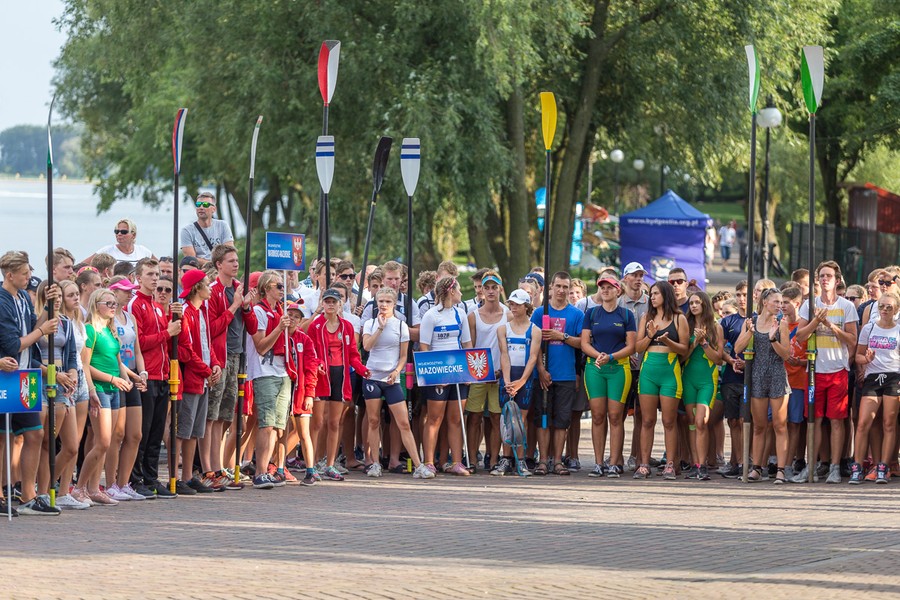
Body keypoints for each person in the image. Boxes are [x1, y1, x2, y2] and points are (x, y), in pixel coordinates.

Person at [0, 251, 60, 516]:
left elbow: (32, 329)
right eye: (24, 274)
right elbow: (13, 344)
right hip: (8, 375)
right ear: (10, 275)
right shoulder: (2, 301)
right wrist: (42, 331)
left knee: (35, 432)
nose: (28, 278)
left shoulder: (24, 298)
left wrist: (47, 309)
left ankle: (28, 494)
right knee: (3, 436)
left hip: (26, 375)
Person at [792, 261, 859, 484]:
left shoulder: (846, 306)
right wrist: (816, 322)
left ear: (837, 280)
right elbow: (800, 336)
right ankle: (811, 466)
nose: (824, 279)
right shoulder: (809, 305)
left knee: (837, 421)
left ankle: (834, 467)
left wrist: (830, 325)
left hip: (838, 370)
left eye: (829, 276)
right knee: (814, 420)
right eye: (821, 276)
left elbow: (852, 340)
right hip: (814, 371)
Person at [77, 288, 140, 506]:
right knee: (102, 441)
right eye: (109, 303)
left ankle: (94, 488)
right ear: (97, 305)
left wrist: (131, 378)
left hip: (114, 389)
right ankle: (79, 487)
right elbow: (85, 365)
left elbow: (118, 361)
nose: (113, 307)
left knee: (108, 440)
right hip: (100, 388)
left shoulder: (110, 329)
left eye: (115, 304)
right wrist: (99, 386)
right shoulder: (90, 329)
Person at [127, 257, 182, 499]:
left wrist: (173, 324)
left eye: (157, 274)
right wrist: (167, 332)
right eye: (150, 274)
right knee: (143, 430)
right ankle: (135, 478)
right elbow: (139, 343)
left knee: (157, 430)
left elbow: (167, 341)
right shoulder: (136, 305)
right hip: (146, 374)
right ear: (139, 278)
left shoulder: (158, 306)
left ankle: (151, 477)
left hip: (162, 374)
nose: (155, 279)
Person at [361, 287, 429, 478]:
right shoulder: (370, 324)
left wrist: (397, 371)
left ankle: (418, 465)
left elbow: (403, 356)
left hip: (392, 379)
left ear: (394, 304)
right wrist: (380, 328)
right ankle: (375, 463)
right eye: (380, 301)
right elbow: (367, 346)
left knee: (403, 422)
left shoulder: (401, 326)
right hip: (372, 377)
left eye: (387, 302)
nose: (383, 305)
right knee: (374, 421)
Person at [201, 244, 249, 491]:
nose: (236, 264)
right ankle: (208, 469)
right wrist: (233, 307)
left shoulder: (238, 288)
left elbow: (250, 325)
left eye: (236, 260)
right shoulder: (213, 291)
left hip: (236, 355)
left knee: (224, 416)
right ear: (219, 264)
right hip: (220, 356)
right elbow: (212, 328)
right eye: (230, 261)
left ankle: (218, 466)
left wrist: (246, 306)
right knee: (211, 415)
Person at [308, 288, 369, 481]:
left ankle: (330, 464)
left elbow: (353, 354)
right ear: (322, 303)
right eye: (327, 301)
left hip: (340, 377)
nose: (330, 305)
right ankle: (312, 463)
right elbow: (311, 352)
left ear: (340, 304)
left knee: (335, 422)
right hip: (321, 377)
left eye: (334, 301)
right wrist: (317, 364)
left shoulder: (347, 326)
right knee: (318, 422)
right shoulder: (316, 326)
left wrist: (362, 369)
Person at [34, 281, 85, 508]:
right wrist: (53, 373)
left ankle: (47, 486)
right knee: (45, 441)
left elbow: (72, 354)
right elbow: (29, 354)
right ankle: (41, 492)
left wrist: (72, 374)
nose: (56, 301)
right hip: (41, 381)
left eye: (58, 296)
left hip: (62, 384)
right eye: (52, 296)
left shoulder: (65, 322)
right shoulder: (35, 320)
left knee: (71, 446)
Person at [171, 269, 222, 495]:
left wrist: (215, 363)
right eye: (206, 284)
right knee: (183, 429)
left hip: (202, 378)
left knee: (194, 431)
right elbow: (185, 350)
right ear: (197, 288)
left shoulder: (202, 311)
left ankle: (188, 476)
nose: (210, 288)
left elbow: (207, 343)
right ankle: (175, 477)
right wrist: (206, 369)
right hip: (191, 379)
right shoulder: (186, 312)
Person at [580, 277, 636, 478]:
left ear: (618, 291)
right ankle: (598, 463)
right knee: (597, 415)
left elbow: (632, 346)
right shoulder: (591, 313)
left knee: (615, 416)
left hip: (618, 368)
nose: (605, 290)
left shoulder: (626, 315)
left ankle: (613, 463)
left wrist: (610, 357)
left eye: (609, 287)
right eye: (602, 287)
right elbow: (584, 343)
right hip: (595, 368)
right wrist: (598, 356)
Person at [633, 281, 689, 480]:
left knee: (669, 420)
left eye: (656, 293)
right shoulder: (646, 317)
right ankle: (644, 464)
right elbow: (638, 348)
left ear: (666, 295)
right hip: (648, 371)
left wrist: (667, 341)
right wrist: (650, 336)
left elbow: (684, 349)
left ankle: (670, 464)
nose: (652, 297)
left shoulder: (679, 318)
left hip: (670, 373)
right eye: (651, 294)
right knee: (647, 420)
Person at [735, 288, 792, 483]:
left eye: (781, 302)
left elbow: (786, 354)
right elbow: (738, 348)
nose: (779, 305)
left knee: (779, 424)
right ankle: (757, 468)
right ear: (765, 302)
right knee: (759, 425)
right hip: (757, 375)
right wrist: (749, 333)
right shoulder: (751, 321)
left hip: (776, 374)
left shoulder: (781, 323)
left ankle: (781, 470)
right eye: (776, 301)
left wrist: (773, 338)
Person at [531, 271, 584, 476]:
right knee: (543, 419)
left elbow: (582, 343)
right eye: (558, 286)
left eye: (565, 287)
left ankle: (558, 461)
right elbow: (535, 344)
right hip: (544, 375)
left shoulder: (576, 314)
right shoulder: (540, 313)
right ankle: (543, 461)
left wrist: (561, 336)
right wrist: (540, 369)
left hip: (566, 375)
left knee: (562, 420)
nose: (561, 290)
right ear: (551, 287)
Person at [419, 276, 473, 476]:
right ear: (451, 291)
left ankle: (456, 462)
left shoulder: (460, 314)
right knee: (434, 418)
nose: (461, 294)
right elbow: (424, 346)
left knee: (456, 419)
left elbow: (467, 344)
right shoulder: (431, 315)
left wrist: (469, 372)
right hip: (438, 374)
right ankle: (429, 462)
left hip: (458, 373)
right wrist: (434, 374)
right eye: (459, 290)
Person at [245, 270, 293, 489]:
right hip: (265, 371)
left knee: (276, 427)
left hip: (282, 371)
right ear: (266, 288)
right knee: (266, 424)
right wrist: (280, 328)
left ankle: (266, 469)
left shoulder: (280, 310)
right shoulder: (259, 311)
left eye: (283, 286)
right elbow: (261, 346)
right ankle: (260, 472)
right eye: (278, 286)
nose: (282, 290)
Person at [104, 276, 149, 501]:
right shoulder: (109, 319)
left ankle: (124, 483)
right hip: (116, 375)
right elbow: (114, 354)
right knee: (117, 434)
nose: (130, 293)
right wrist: (130, 376)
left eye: (131, 290)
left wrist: (143, 372)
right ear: (113, 292)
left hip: (132, 375)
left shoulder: (130, 318)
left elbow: (137, 350)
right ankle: (110, 483)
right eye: (125, 290)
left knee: (135, 434)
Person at [850, 292, 900, 484]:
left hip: (893, 377)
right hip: (872, 378)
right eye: (881, 306)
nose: (884, 310)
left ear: (896, 309)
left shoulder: (898, 329)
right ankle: (857, 468)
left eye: (889, 307)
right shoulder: (869, 328)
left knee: (889, 423)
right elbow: (858, 356)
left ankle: (883, 468)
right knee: (864, 423)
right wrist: (866, 359)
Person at [492, 289, 540, 476]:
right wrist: (507, 381)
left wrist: (521, 381)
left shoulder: (535, 330)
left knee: (521, 420)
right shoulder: (503, 329)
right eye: (511, 304)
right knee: (506, 418)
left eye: (517, 304)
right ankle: (506, 459)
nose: (513, 307)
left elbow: (533, 358)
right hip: (508, 376)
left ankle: (521, 460)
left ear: (526, 306)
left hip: (524, 378)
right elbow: (504, 354)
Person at [465, 271, 509, 473]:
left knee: (496, 417)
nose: (491, 291)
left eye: (494, 287)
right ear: (481, 290)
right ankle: (472, 458)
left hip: (499, 374)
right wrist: (475, 372)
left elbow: (508, 347)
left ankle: (493, 459)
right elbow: (470, 346)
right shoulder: (473, 316)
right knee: (474, 417)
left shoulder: (508, 314)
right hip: (478, 373)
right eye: (487, 287)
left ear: (500, 289)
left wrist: (502, 370)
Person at [681, 291, 724, 481]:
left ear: (705, 304)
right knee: (692, 422)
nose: (693, 306)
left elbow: (718, 359)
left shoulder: (716, 327)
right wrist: (693, 343)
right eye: (691, 303)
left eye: (697, 302)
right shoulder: (686, 326)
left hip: (707, 380)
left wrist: (704, 342)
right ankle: (695, 464)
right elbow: (681, 357)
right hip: (688, 378)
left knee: (701, 421)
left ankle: (703, 464)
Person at [718, 280, 748, 478]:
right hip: (730, 377)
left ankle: (747, 461)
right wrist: (731, 361)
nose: (742, 299)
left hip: (750, 378)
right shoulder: (727, 321)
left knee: (746, 421)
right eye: (738, 295)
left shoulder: (758, 319)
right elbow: (720, 349)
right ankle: (736, 461)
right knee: (733, 421)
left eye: (745, 295)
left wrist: (747, 364)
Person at [781, 285, 808, 480]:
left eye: (786, 303)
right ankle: (777, 462)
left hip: (798, 382)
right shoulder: (779, 324)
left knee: (794, 424)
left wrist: (800, 362)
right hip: (780, 381)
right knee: (778, 423)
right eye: (781, 302)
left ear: (797, 304)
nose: (782, 306)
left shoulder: (804, 327)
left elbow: (814, 357)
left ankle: (789, 465)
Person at [180, 191, 235, 266]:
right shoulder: (187, 231)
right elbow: (191, 260)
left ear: (214, 209)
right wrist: (214, 265)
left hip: (219, 270)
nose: (201, 207)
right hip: (200, 270)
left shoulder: (223, 226)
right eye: (198, 205)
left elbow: (229, 253)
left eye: (205, 205)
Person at [83, 218, 155, 264]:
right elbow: (83, 265)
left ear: (133, 235)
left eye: (124, 232)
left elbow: (159, 266)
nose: (119, 234)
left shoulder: (143, 251)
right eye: (116, 231)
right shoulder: (107, 251)